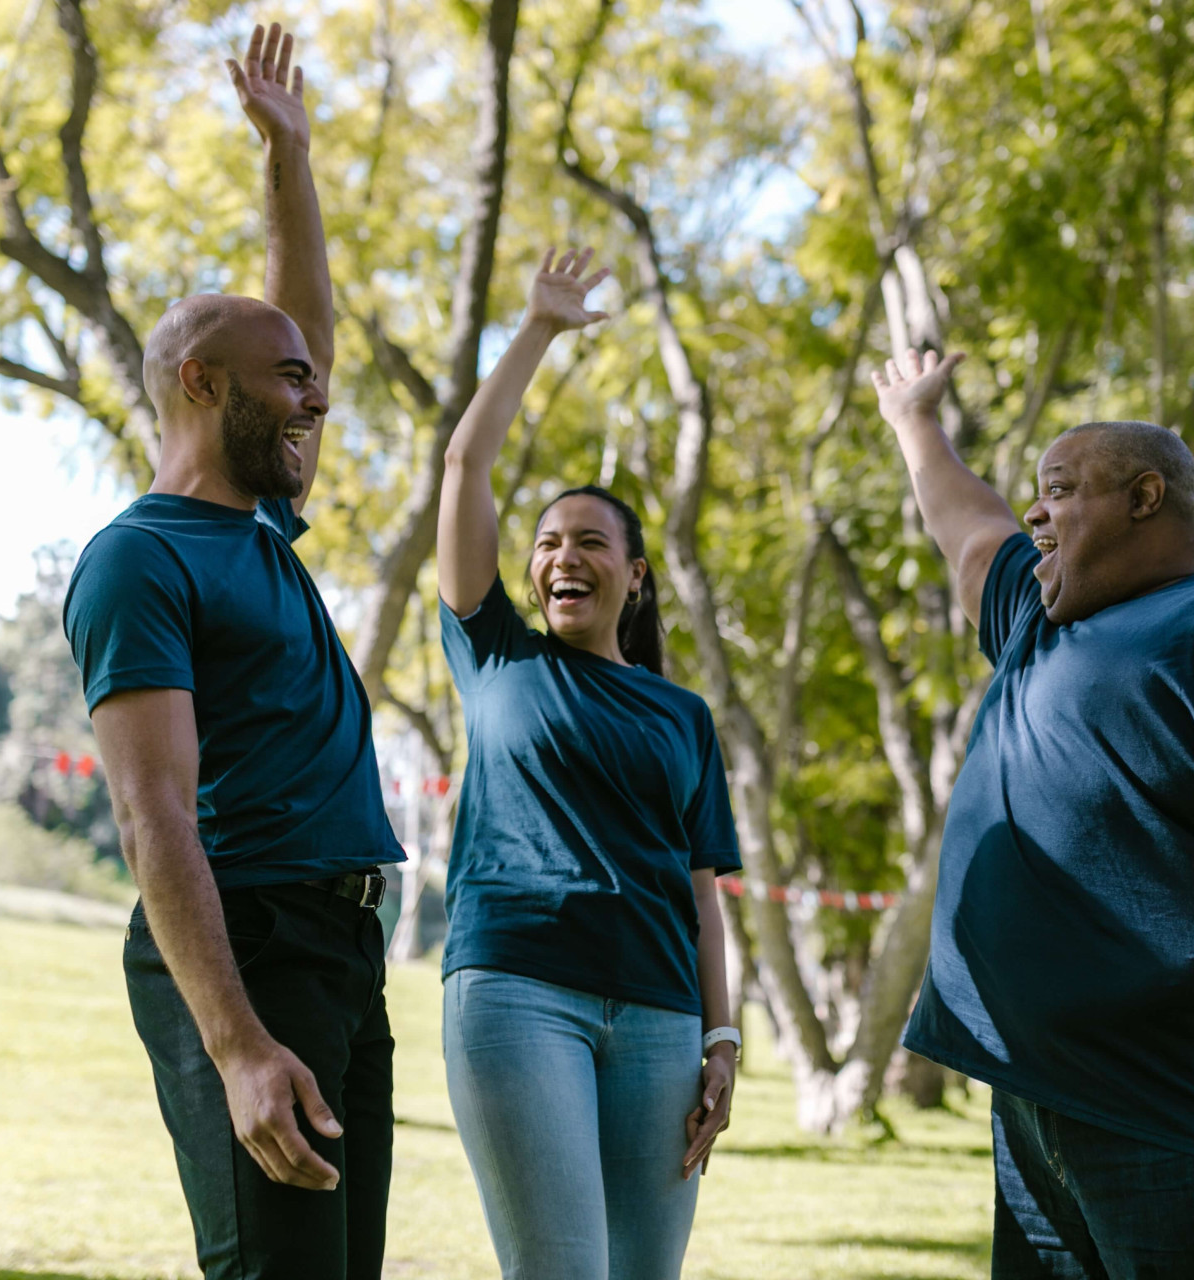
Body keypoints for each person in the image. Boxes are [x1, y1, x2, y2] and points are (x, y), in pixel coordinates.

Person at [871, 349, 1194, 1278]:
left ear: (1146, 498)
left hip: (1175, 1112)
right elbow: (966, 527)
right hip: (1032, 1104)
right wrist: (914, 417)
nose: (1034, 511)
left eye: (1061, 488)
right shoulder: (1037, 620)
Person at [63, 26, 403, 1280]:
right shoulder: (139, 559)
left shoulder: (260, 524)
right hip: (246, 943)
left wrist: (290, 155)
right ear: (204, 385)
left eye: (315, 383)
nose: (316, 399)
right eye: (292, 385)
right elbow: (154, 813)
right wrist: (240, 1043)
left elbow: (295, 317)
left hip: (340, 943)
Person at [432, 247, 744, 1280]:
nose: (565, 554)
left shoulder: (684, 715)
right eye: (548, 541)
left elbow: (703, 893)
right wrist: (537, 330)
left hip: (660, 1017)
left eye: (591, 541)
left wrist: (724, 1036)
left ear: (636, 575)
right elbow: (464, 466)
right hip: (520, 988)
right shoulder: (496, 653)